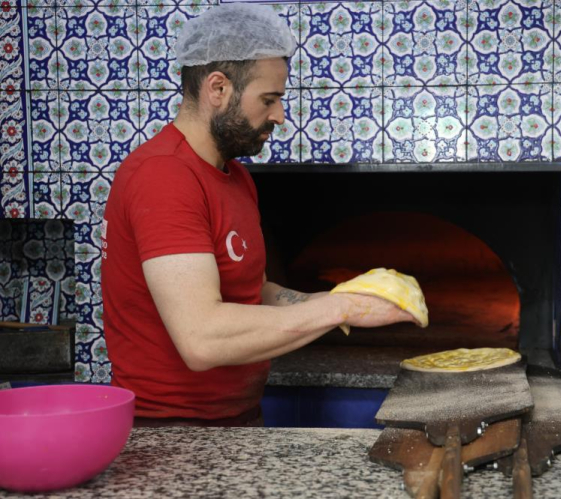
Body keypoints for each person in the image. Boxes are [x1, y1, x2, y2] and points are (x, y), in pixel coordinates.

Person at [100, 4, 417, 427]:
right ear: (218, 88)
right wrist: (341, 310)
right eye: (269, 99)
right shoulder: (163, 176)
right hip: (171, 432)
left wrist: (347, 296)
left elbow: (253, 290)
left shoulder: (236, 178)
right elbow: (201, 339)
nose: (279, 116)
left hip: (238, 419)